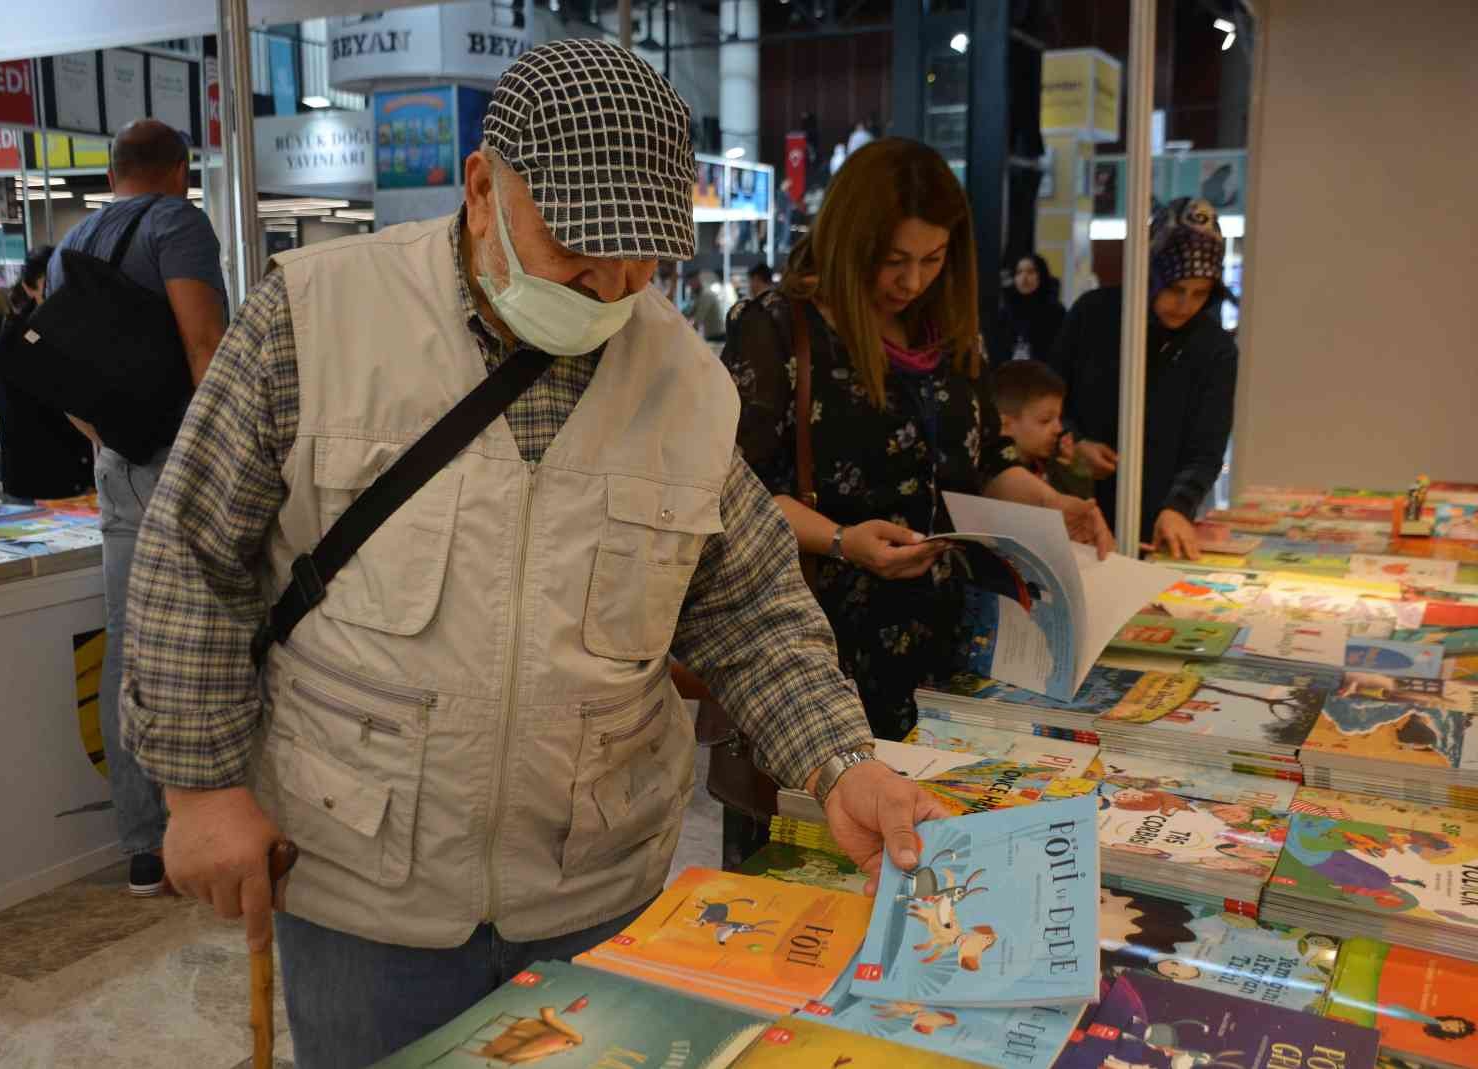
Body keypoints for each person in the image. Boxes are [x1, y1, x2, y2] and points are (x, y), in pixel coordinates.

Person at [120, 40, 943, 1068]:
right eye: (577, 248)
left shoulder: (686, 385)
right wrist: (199, 791)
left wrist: (838, 763)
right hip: (364, 887)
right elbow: (191, 554)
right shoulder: (313, 317)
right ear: (480, 188)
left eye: (639, 256)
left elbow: (751, 608)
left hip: (593, 888)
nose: (608, 286)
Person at [722, 137, 1114, 746]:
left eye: (932, 259)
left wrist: (1051, 504)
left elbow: (984, 461)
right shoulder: (778, 329)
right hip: (824, 658)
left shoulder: (950, 330)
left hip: (957, 647)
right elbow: (734, 490)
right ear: (851, 242)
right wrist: (844, 542)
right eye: (893, 259)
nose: (912, 281)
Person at [47, 117, 227, 897]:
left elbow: (65, 381)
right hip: (184, 461)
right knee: (219, 629)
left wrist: (111, 444)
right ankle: (222, 819)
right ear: (180, 172)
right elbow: (206, 347)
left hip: (116, 463)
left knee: (128, 640)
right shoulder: (178, 223)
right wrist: (213, 457)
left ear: (114, 170)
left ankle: (144, 844)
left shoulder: (68, 249)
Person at [1048, 197, 1237, 560]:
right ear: (1149, 274)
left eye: (1200, 294)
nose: (1185, 305)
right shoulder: (1093, 315)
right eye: (1175, 289)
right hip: (1073, 510)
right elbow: (1048, 402)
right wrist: (1072, 443)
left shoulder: (1214, 348)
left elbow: (1207, 448)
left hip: (1160, 523)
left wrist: (1179, 507)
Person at [0, 246, 95, 501]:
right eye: (50, 284)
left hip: (78, 481)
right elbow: (59, 404)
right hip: (39, 485)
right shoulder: (15, 343)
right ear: (30, 288)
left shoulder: (77, 333)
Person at [992, 359, 1092, 500]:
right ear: (1005, 425)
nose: (1058, 429)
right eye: (1045, 420)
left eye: (1059, 418)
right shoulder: (993, 476)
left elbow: (1081, 503)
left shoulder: (1051, 464)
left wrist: (1069, 466)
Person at [990, 254, 1065, 365]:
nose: (1024, 277)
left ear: (1041, 276)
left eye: (1030, 272)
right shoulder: (1005, 313)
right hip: (1009, 376)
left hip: (1045, 377)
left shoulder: (1056, 312)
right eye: (1019, 272)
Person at [686, 270, 727, 340]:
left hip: (717, 335)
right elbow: (690, 312)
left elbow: (698, 319)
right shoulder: (699, 295)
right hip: (712, 334)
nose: (691, 287)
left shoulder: (706, 295)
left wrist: (687, 335)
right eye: (689, 284)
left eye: (691, 284)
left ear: (697, 280)